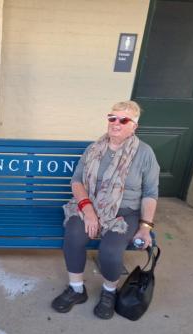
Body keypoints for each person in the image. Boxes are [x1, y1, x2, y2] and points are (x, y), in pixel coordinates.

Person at [51, 100, 159, 319]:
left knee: (111, 249)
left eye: (123, 120)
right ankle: (76, 289)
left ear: (134, 126)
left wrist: (145, 227)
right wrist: (88, 210)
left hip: (126, 211)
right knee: (73, 234)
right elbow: (77, 180)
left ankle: (109, 291)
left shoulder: (144, 153)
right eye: (112, 118)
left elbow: (150, 193)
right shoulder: (94, 148)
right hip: (89, 205)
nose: (116, 123)